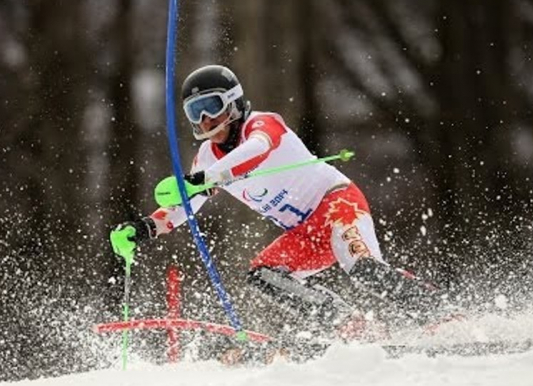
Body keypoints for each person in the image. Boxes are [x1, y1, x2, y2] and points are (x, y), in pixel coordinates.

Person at [109, 65, 437, 340]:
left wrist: (207, 179)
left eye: (213, 107)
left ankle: (440, 315)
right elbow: (186, 206)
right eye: (196, 113)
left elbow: (257, 150)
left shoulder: (263, 124)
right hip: (304, 234)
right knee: (263, 275)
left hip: (337, 206)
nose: (206, 120)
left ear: (234, 103)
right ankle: (351, 327)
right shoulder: (207, 158)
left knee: (363, 269)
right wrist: (145, 228)